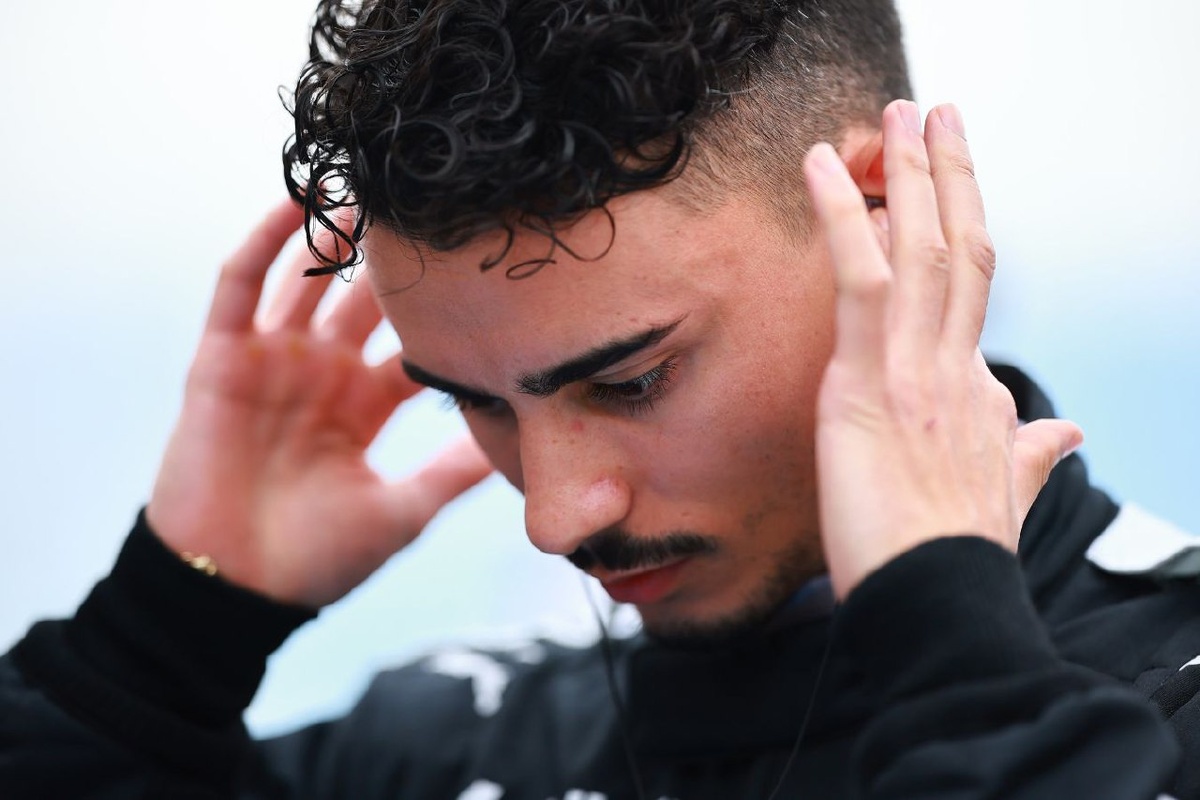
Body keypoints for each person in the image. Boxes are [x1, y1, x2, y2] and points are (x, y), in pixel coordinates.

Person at [2, 0, 1198, 797]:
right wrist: (160, 638)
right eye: (468, 403)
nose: (555, 515)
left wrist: (946, 630)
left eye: (631, 379)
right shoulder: (445, 744)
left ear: (883, 210)